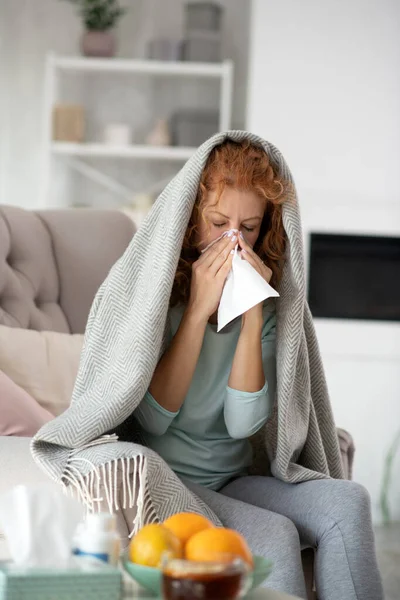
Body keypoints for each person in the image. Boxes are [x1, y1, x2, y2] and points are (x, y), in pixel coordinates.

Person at [134, 140, 383, 600]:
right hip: (172, 480)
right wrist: (195, 315)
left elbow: (242, 424)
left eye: (247, 229)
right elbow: (152, 419)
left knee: (349, 500)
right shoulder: (160, 303)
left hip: (234, 479)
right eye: (217, 224)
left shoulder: (269, 315)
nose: (232, 241)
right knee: (274, 535)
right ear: (190, 225)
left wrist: (252, 315)